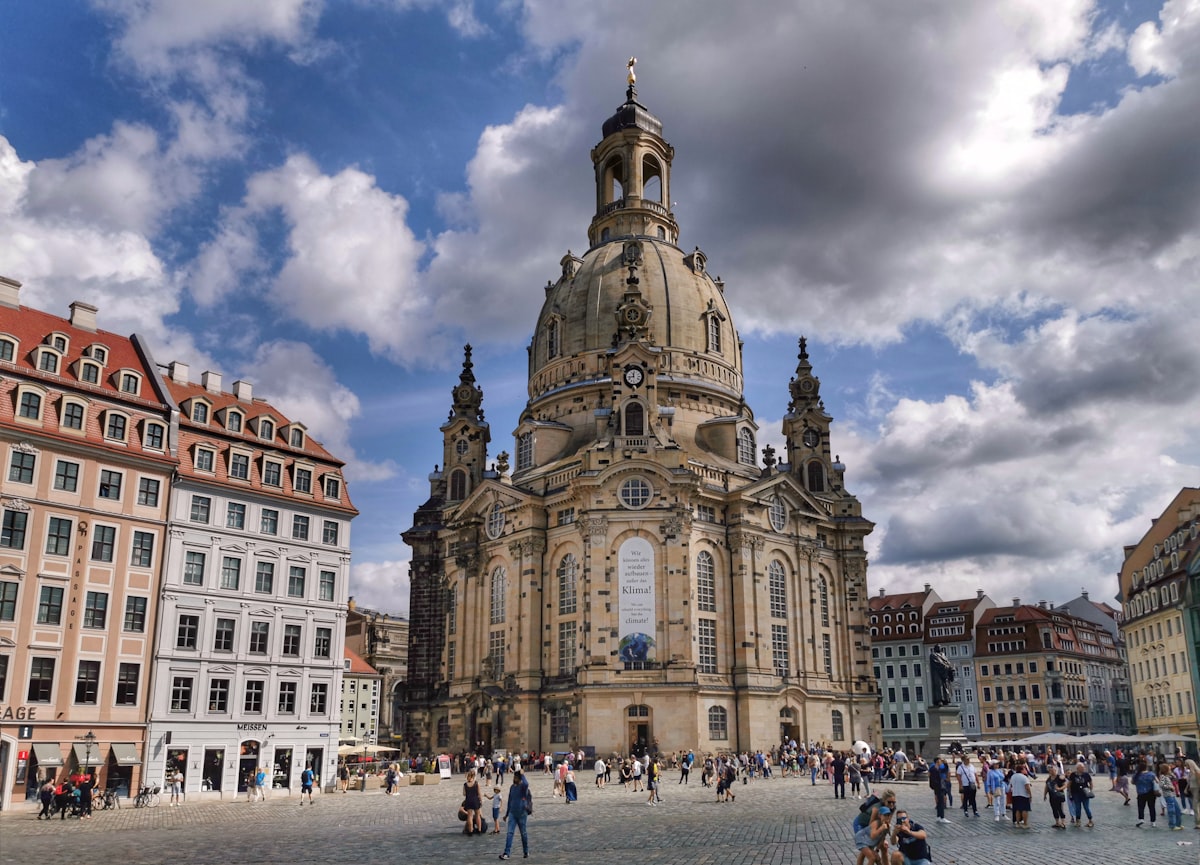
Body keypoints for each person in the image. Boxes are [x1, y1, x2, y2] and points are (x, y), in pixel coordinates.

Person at [499, 769, 532, 860]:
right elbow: (510, 801)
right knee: (510, 833)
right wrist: (506, 814)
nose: (514, 778)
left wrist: (523, 774)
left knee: (523, 833)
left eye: (516, 777)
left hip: (522, 813)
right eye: (514, 777)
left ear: (519, 778)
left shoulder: (523, 787)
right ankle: (507, 853)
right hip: (512, 813)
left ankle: (526, 851)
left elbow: (526, 784)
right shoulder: (512, 787)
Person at [1067, 760, 1094, 828]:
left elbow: (1091, 783)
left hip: (1085, 794)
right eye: (1082, 767)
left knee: (1086, 807)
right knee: (1077, 808)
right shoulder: (1073, 775)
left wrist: (1090, 790)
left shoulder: (1086, 775)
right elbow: (1069, 784)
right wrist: (1070, 793)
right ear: (1078, 768)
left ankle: (1090, 820)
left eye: (1083, 767)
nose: (1083, 768)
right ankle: (1078, 821)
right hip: (1076, 793)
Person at [1134, 760, 1158, 827]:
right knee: (1152, 807)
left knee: (1141, 807)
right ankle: (1153, 822)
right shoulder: (1151, 774)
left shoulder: (1137, 775)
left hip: (1141, 793)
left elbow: (1133, 782)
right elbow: (1157, 781)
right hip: (1151, 793)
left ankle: (1141, 819)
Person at [1159, 762, 1182, 830]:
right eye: (1169, 768)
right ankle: (1172, 825)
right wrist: (1170, 787)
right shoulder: (1163, 776)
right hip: (1168, 795)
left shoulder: (1168, 776)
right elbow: (1161, 785)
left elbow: (1175, 778)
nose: (1170, 768)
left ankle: (1178, 824)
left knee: (1177, 810)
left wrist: (1171, 772)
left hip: (1172, 795)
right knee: (1171, 811)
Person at [1044, 763, 1067, 829]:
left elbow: (1065, 784)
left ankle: (1063, 822)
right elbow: (1046, 787)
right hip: (1052, 796)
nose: (1051, 772)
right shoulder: (1049, 778)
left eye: (1052, 770)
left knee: (1060, 809)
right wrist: (1045, 794)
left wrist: (1059, 789)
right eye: (1050, 771)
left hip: (1059, 796)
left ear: (1055, 771)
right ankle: (1057, 822)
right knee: (1054, 809)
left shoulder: (1059, 777)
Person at [928, 756, 949, 822]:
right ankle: (941, 817)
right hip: (938, 787)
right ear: (937, 761)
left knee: (940, 802)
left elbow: (945, 769)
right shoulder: (934, 769)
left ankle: (939, 816)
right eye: (940, 761)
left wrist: (945, 763)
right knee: (941, 802)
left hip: (939, 787)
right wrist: (938, 785)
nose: (941, 762)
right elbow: (933, 779)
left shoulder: (938, 768)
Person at [463, 767, 483, 834]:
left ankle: (470, 830)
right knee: (477, 815)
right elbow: (479, 793)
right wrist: (481, 800)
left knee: (470, 816)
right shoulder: (476, 783)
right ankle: (479, 829)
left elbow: (464, 794)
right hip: (475, 800)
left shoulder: (465, 785)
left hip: (468, 800)